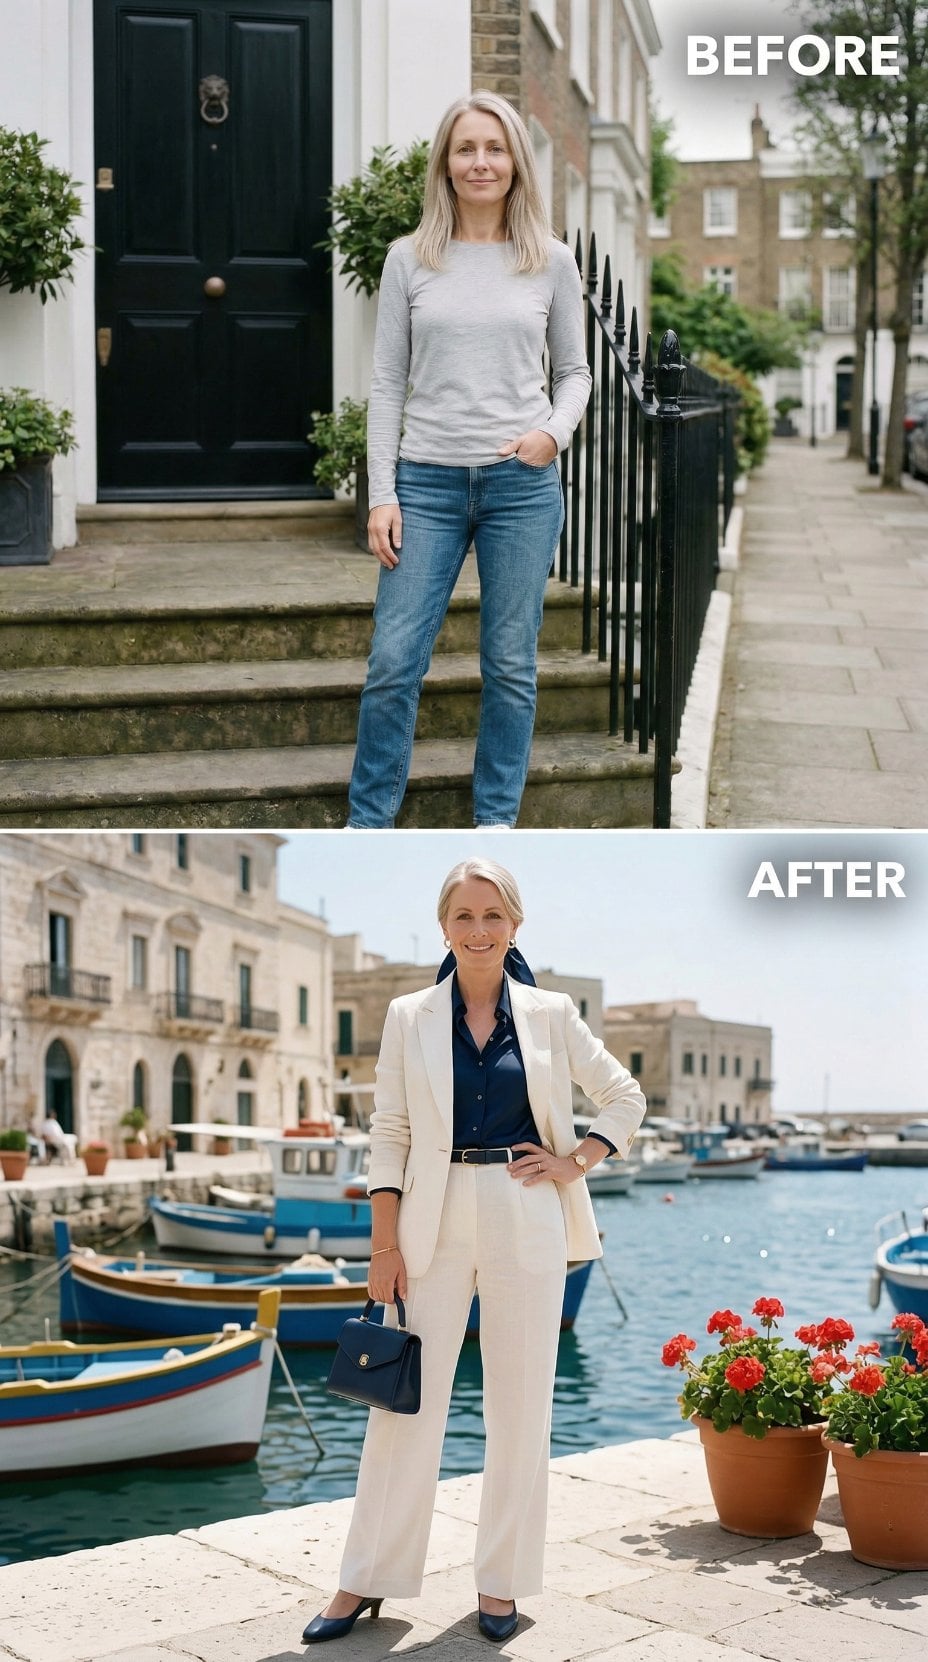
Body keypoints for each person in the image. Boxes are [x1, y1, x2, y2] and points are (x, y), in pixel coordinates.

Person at [301, 858, 645, 1645]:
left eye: (493, 915)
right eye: (464, 915)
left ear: (514, 925)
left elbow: (624, 1095)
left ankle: (502, 1582)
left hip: (526, 1211)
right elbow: (389, 1133)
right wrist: (383, 1246)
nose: (479, 929)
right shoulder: (408, 1015)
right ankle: (365, 1577)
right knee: (404, 1405)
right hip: (431, 1216)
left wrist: (576, 1161)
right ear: (444, 926)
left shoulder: (552, 1013)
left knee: (521, 1407)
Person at [346, 91, 592, 829]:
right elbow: (387, 382)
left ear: (515, 162)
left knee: (510, 665)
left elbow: (575, 373)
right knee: (393, 661)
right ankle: (368, 822)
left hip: (522, 487)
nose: (480, 162)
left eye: (494, 148)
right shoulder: (409, 258)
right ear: (445, 164)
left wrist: (553, 434)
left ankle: (495, 819)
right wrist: (382, 494)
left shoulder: (550, 260)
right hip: (425, 484)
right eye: (465, 148)